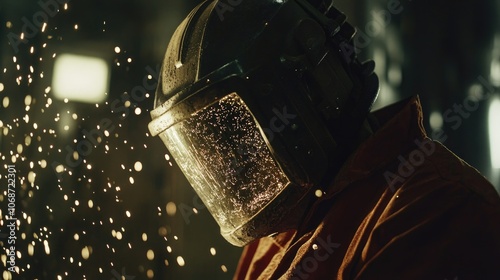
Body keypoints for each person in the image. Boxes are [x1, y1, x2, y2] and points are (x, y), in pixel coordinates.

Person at [148, 0, 500, 278]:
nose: (233, 164)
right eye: (213, 144)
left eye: (238, 132)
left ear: (316, 88)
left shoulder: (435, 212)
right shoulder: (272, 244)